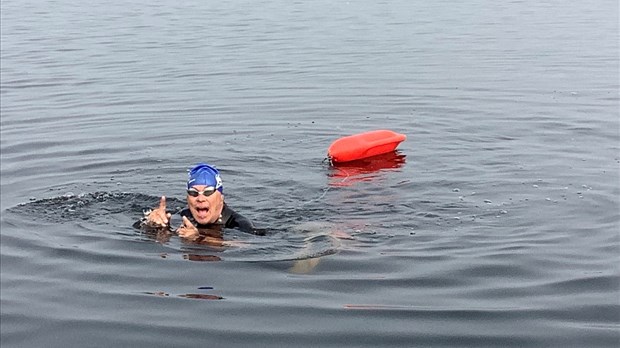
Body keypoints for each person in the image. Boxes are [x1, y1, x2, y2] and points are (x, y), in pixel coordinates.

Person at [139, 163, 265, 242]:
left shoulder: (239, 224)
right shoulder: (183, 216)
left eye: (208, 192)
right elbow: (136, 230)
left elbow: (248, 245)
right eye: (193, 193)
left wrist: (199, 238)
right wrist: (151, 224)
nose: (200, 198)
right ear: (187, 199)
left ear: (221, 197)